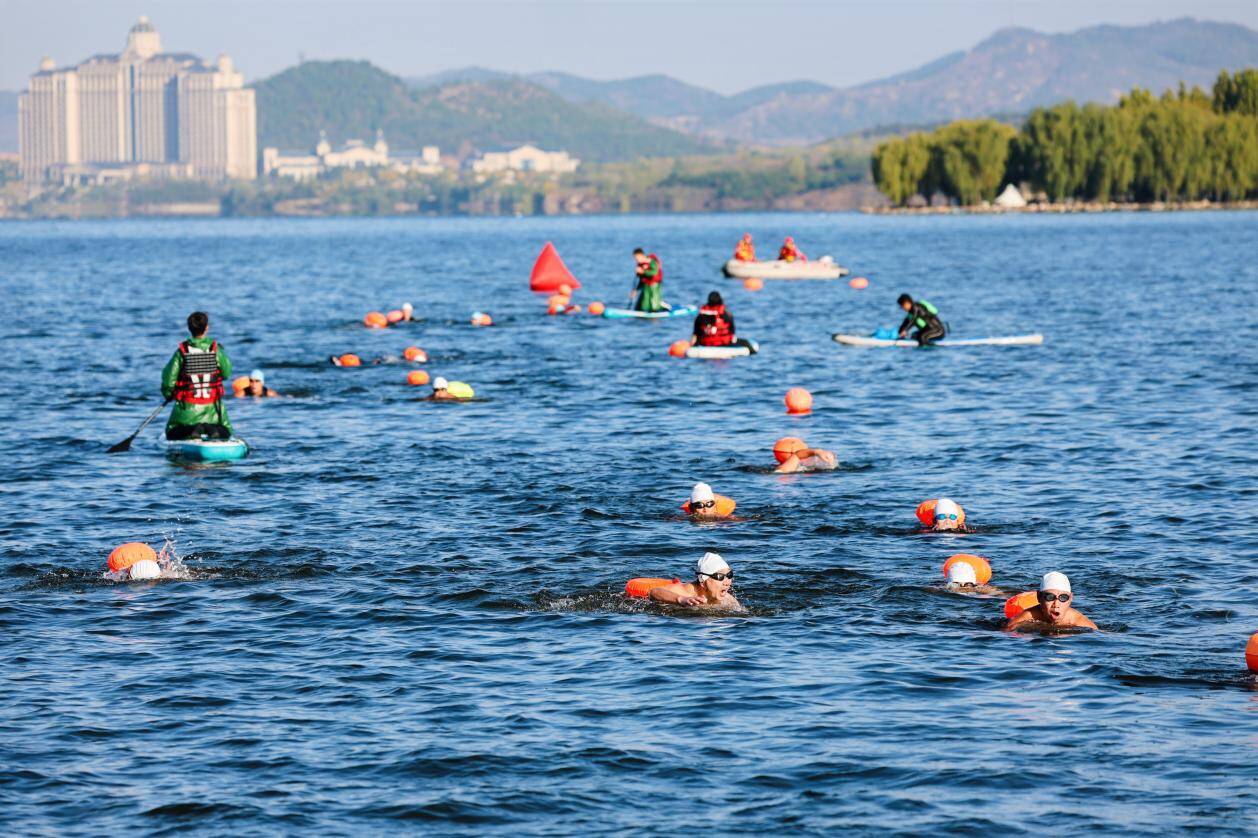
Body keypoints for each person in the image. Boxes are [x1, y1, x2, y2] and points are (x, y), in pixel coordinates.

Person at [161, 311, 233, 440]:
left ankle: (193, 430)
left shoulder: (182, 352)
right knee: (226, 430)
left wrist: (169, 394)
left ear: (189, 328)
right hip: (214, 410)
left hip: (186, 410)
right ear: (207, 328)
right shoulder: (216, 350)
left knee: (171, 432)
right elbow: (226, 372)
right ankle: (212, 429)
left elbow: (168, 380)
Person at [1005, 572, 1098, 631]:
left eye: (1063, 598)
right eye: (1050, 597)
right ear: (1039, 597)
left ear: (1070, 599)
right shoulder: (1028, 616)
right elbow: (1006, 632)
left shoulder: (1080, 622)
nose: (1056, 604)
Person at [649, 552, 742, 610]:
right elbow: (654, 592)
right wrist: (681, 599)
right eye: (720, 576)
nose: (727, 582)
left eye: (729, 575)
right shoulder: (684, 593)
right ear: (702, 582)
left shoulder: (727, 599)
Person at [691, 292, 756, 351]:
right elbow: (732, 332)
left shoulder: (700, 316)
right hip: (724, 344)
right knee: (746, 343)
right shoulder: (726, 314)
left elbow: (695, 335)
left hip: (705, 344)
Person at [632, 248, 666, 313]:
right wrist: (636, 289)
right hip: (645, 287)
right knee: (642, 305)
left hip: (654, 287)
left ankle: (663, 306)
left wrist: (643, 271)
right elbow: (641, 279)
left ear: (641, 255)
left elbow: (654, 272)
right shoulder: (640, 265)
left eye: (637, 259)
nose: (636, 261)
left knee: (654, 305)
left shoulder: (652, 261)